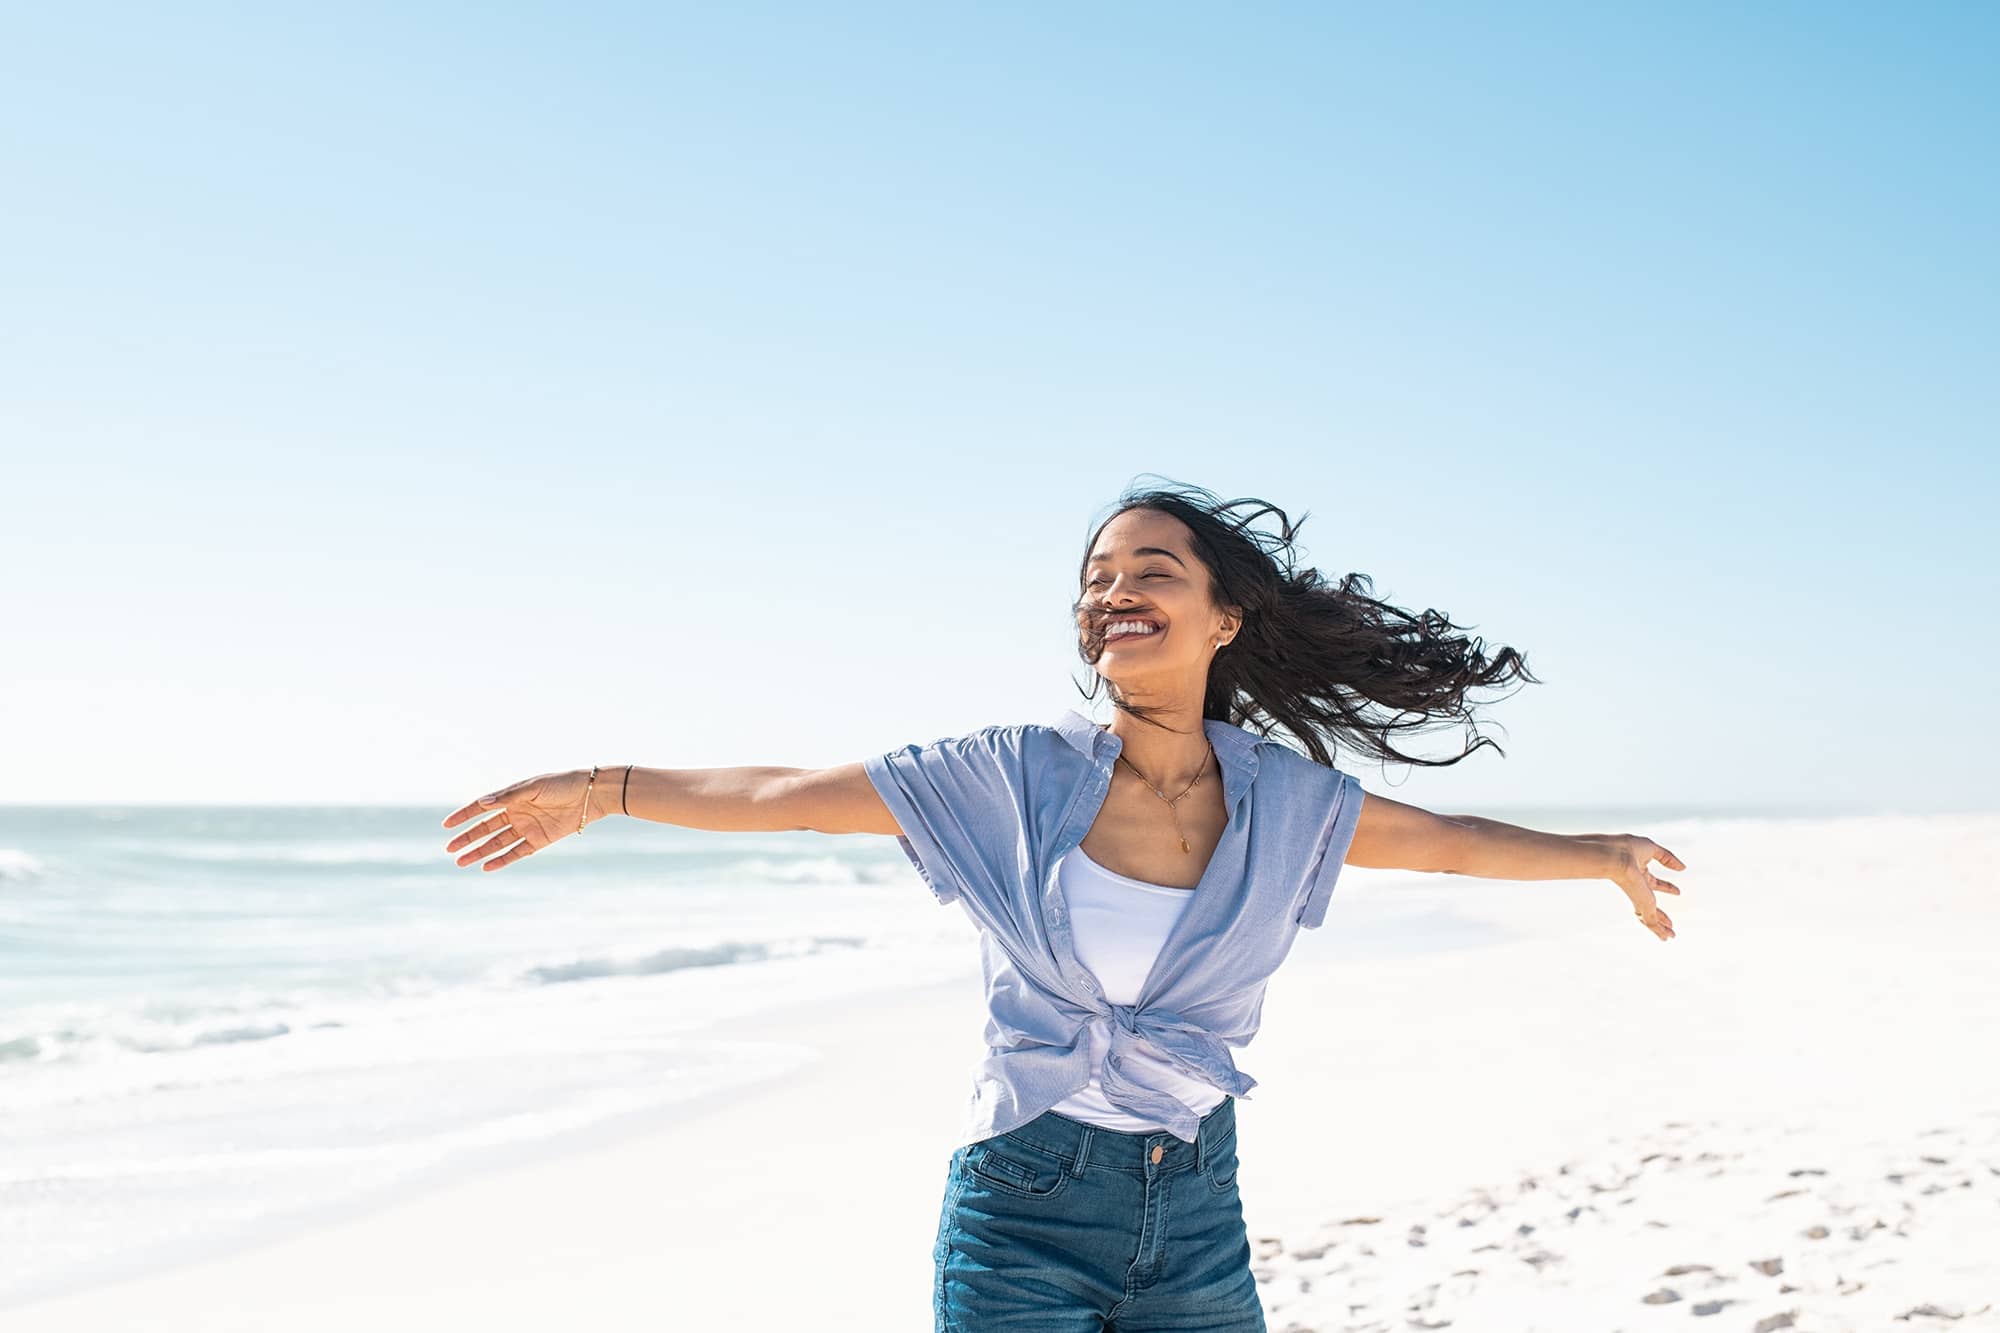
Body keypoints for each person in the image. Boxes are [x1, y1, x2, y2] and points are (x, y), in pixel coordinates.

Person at [441, 478, 1687, 1331]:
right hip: (1022, 1205)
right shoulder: (1010, 776)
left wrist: (1601, 858)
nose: (1111, 591)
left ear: (1222, 616)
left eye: (1150, 568)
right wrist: (606, 789)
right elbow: (787, 792)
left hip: (1196, 1205)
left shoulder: (1286, 802)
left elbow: (1448, 844)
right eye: (1096, 577)